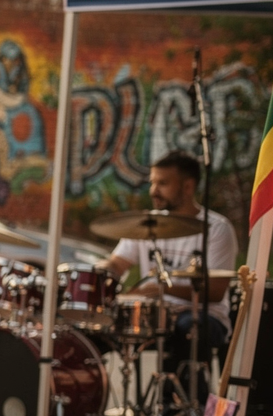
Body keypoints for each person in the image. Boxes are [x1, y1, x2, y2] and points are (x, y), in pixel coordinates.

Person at [98, 150, 238, 389]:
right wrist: (97, 272)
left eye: (162, 183)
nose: (153, 190)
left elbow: (215, 291)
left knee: (186, 330)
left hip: (202, 315)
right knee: (92, 332)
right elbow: (117, 265)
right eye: (152, 182)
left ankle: (181, 411)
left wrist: (159, 289)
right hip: (150, 315)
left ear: (187, 187)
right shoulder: (148, 225)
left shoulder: (216, 229)